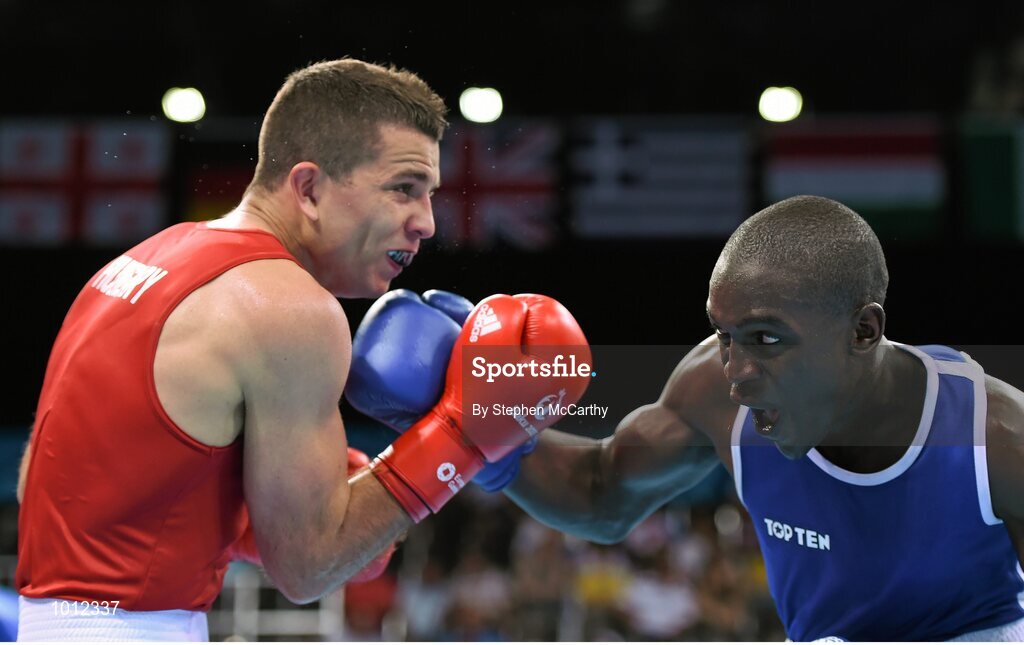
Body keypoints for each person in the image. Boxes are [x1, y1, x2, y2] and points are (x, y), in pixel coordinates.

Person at [15, 58, 590, 641]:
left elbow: (41, 477)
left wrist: (236, 518)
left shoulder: (141, 262)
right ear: (309, 188)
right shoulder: (290, 306)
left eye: (429, 195)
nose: (426, 223)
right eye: (402, 190)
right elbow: (309, 570)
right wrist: (464, 433)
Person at [353, 195, 1024, 641]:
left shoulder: (995, 438)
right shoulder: (715, 390)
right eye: (725, 335)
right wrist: (487, 434)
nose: (736, 367)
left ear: (863, 330)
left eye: (767, 337)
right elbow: (600, 490)